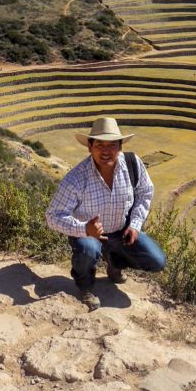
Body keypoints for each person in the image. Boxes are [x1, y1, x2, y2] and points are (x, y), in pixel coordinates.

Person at [46, 117, 166, 311]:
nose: (106, 151)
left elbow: (145, 192)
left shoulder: (132, 163)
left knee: (157, 261)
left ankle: (114, 263)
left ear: (120, 147)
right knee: (87, 249)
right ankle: (85, 286)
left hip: (121, 231)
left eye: (112, 145)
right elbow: (53, 216)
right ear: (90, 147)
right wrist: (83, 228)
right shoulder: (76, 178)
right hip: (88, 236)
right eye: (100, 145)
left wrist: (135, 224)